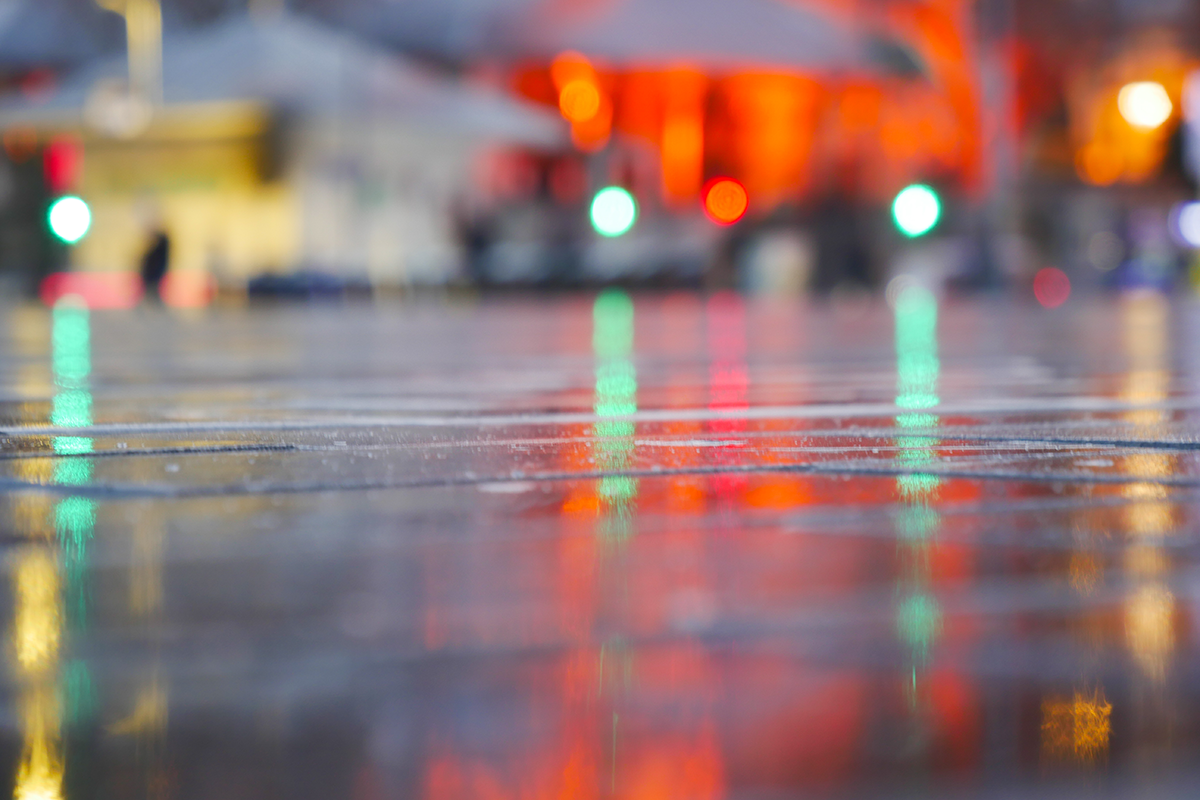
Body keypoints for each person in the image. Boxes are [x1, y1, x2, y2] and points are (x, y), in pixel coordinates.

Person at [139, 229, 170, 300]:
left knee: (152, 289)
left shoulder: (160, 249)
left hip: (154, 274)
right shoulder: (160, 249)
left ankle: (152, 299)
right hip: (154, 274)